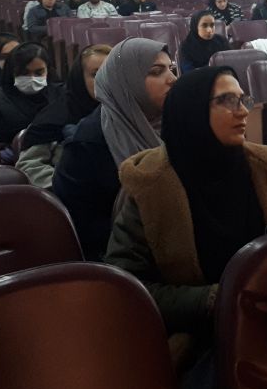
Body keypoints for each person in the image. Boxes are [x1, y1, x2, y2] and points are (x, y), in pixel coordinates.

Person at [105, 66, 267, 389]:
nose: (243, 111)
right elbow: (127, 288)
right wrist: (215, 298)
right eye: (227, 101)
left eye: (243, 100)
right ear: (192, 111)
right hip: (200, 338)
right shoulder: (151, 187)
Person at [53, 38, 176, 259]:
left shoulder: (177, 123)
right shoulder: (87, 145)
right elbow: (84, 228)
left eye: (172, 69)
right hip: (121, 258)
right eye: (157, 72)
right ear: (126, 81)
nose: (172, 79)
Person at [16, 44, 110, 188]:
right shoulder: (56, 117)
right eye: (95, 74)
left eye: (111, 73)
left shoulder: (127, 111)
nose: (105, 80)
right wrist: (69, 184)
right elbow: (28, 166)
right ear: (80, 78)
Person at [0, 42, 59, 147]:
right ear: (11, 72)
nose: (32, 78)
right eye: (24, 73)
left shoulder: (60, 96)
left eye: (39, 72)